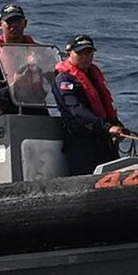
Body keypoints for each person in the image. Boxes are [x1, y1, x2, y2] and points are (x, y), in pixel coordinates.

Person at [52, 34, 130, 173]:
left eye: (88, 53)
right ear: (70, 53)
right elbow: (77, 110)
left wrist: (115, 125)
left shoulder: (94, 75)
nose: (85, 57)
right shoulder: (64, 80)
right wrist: (106, 128)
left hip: (102, 139)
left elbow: (105, 104)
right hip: (81, 142)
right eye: (80, 53)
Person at [0, 4, 54, 108]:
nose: (14, 26)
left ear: (25, 23)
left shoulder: (40, 53)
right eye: (9, 22)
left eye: (18, 21)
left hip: (37, 109)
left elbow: (56, 81)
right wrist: (14, 87)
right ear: (0, 25)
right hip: (7, 113)